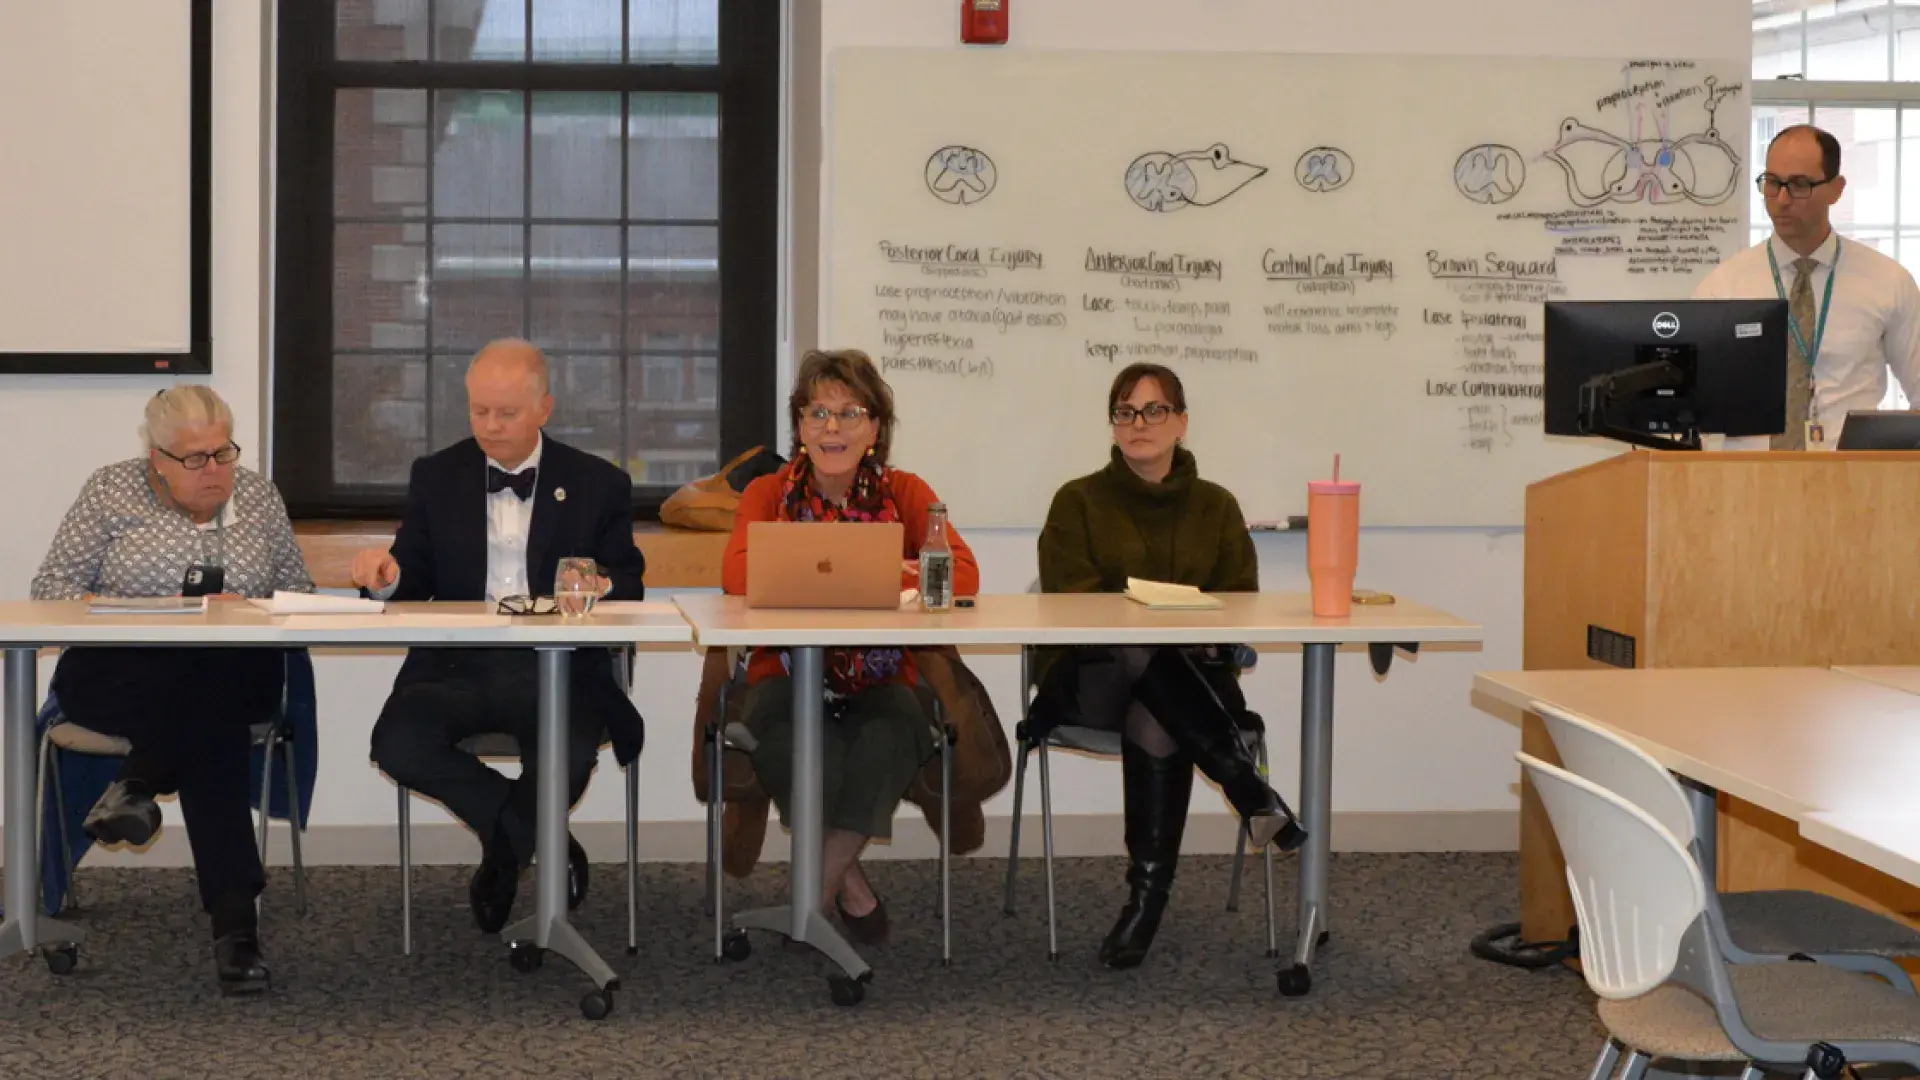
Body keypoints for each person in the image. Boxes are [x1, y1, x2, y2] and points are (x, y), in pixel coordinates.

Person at [356, 339, 645, 937]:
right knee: (397, 745)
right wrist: (386, 578)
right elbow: (413, 575)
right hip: (456, 666)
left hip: (556, 666)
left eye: (507, 413)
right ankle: (535, 836)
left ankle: (503, 854)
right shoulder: (437, 476)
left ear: (544, 408)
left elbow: (630, 581)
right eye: (479, 411)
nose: (490, 425)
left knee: (567, 755)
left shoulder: (598, 482)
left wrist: (599, 584)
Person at [30, 386, 314, 994]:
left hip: (235, 671)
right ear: (157, 458)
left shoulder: (258, 497)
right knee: (208, 723)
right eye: (195, 458)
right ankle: (236, 931)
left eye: (224, 452)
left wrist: (249, 610)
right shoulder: (110, 491)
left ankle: (136, 784)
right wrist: (152, 612)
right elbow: (52, 592)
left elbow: (299, 596)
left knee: (209, 686)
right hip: (120, 674)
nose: (214, 469)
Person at [1031, 362, 1304, 970]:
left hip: (1193, 684)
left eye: (1154, 410)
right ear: (1112, 424)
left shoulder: (1217, 506)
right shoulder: (1076, 501)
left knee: (1157, 712)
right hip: (1092, 676)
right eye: (1125, 411)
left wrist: (1194, 638)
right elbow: (1070, 601)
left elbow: (1241, 603)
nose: (1139, 423)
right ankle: (1248, 789)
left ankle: (1146, 902)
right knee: (1138, 644)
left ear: (1181, 422)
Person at [721, 348, 979, 945]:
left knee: (892, 737)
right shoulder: (767, 492)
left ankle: (810, 900)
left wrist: (883, 568)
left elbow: (963, 573)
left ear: (875, 428)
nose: (831, 428)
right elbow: (736, 574)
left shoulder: (905, 491)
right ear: (800, 427)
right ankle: (849, 885)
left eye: (849, 413)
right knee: (795, 747)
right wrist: (852, 567)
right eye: (817, 413)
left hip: (883, 675)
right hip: (784, 674)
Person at [1694, 123, 1920, 450]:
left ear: (1836, 189)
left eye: (1799, 185)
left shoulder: (1888, 281)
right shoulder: (1724, 286)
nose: (1782, 199)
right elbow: (1693, 404)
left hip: (1851, 475)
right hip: (1748, 475)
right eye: (1772, 183)